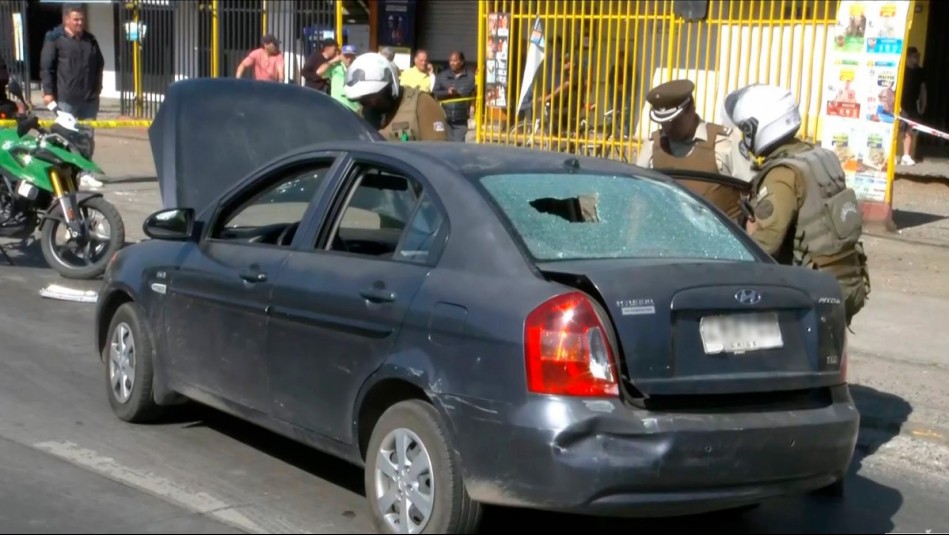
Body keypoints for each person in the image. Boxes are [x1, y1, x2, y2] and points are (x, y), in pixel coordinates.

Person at [722, 83, 870, 326]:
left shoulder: (782, 174)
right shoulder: (822, 157)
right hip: (844, 282)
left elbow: (764, 247)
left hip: (809, 297)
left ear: (757, 128)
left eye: (744, 129)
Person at [637, 79, 755, 221]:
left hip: (719, 239)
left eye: (675, 121)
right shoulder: (652, 146)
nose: (668, 128)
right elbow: (638, 196)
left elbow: (752, 191)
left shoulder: (723, 143)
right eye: (663, 122)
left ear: (691, 109)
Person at [39, 2, 104, 188]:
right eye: (76, 19)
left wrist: (97, 89)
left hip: (89, 99)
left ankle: (85, 173)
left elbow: (99, 64)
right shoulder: (55, 39)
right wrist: (48, 93)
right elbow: (46, 67)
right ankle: (64, 172)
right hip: (66, 98)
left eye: (82, 19)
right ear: (66, 19)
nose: (79, 22)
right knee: (66, 137)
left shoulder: (90, 40)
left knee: (87, 138)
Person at [343, 52, 448, 142]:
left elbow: (438, 153)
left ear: (390, 87)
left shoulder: (421, 104)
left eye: (372, 96)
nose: (369, 103)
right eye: (362, 100)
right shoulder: (363, 115)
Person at [433, 51, 475, 142]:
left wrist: (456, 92)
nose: (452, 63)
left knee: (458, 145)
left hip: (460, 119)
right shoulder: (442, 76)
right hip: (445, 118)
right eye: (450, 60)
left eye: (455, 60)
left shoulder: (470, 76)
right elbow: (435, 92)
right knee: (445, 145)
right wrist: (447, 92)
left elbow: (465, 91)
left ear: (462, 62)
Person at [898, 46, 927, 166]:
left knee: (910, 130)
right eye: (915, 56)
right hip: (900, 105)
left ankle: (906, 155)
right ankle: (894, 154)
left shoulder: (920, 72)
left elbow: (923, 89)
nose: (918, 59)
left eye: (919, 56)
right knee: (897, 129)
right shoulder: (901, 70)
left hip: (913, 104)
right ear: (908, 57)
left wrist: (923, 105)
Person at [318, 44, 360, 113]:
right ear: (341, 56)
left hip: (354, 108)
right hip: (338, 106)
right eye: (346, 56)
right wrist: (333, 60)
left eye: (351, 56)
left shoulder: (358, 68)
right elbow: (319, 72)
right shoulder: (336, 67)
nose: (349, 59)